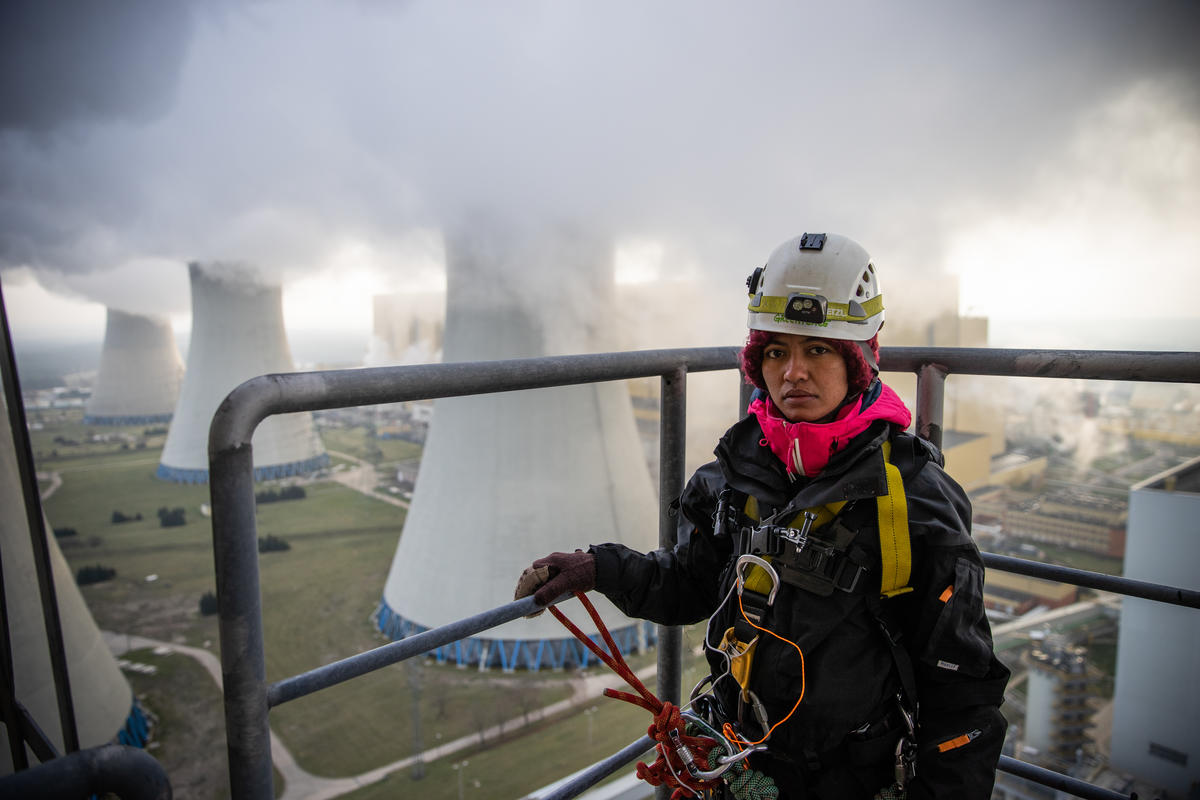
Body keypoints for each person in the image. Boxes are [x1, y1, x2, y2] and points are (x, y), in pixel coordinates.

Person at [515, 232, 1010, 799]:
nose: (792, 372)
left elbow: (963, 694)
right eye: (776, 351)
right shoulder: (732, 475)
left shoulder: (912, 499)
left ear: (860, 361)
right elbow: (690, 584)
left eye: (817, 349)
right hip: (740, 766)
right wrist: (599, 568)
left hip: (851, 781)